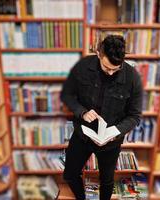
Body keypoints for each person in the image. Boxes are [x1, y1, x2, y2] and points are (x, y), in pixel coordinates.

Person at [60, 35, 143, 200]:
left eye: (116, 69)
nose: (111, 73)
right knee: (69, 174)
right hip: (83, 134)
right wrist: (82, 111)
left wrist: (115, 132)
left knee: (107, 181)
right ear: (98, 53)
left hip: (110, 142)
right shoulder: (83, 67)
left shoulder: (133, 77)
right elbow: (67, 95)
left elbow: (134, 116)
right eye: (107, 67)